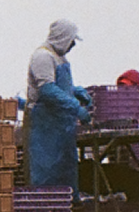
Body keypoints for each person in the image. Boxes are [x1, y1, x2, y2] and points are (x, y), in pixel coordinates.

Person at [24, 19, 94, 189]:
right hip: (45, 123)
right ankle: (46, 204)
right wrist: (76, 107)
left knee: (66, 170)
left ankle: (70, 202)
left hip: (62, 124)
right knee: (46, 170)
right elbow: (47, 90)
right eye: (72, 40)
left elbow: (59, 86)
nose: (73, 45)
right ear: (63, 37)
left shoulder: (60, 58)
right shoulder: (43, 56)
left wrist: (74, 91)